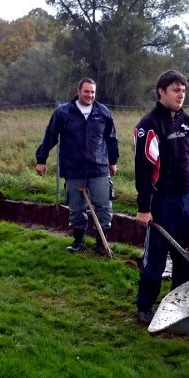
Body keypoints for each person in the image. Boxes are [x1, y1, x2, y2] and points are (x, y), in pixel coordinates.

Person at [133, 70, 189, 325]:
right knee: (156, 257)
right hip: (161, 201)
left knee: (187, 254)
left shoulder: (188, 123)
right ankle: (144, 306)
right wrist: (144, 207)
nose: (180, 94)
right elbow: (143, 167)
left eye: (183, 90)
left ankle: (177, 303)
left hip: (185, 199)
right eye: (175, 90)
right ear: (161, 92)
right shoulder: (149, 125)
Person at [35, 78, 120, 253]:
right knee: (76, 208)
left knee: (104, 206)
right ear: (79, 91)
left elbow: (111, 139)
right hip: (73, 169)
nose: (90, 95)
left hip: (99, 168)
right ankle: (78, 241)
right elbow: (50, 136)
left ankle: (101, 244)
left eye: (93, 92)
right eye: (87, 91)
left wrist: (113, 162)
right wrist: (41, 160)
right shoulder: (63, 113)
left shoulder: (103, 112)